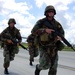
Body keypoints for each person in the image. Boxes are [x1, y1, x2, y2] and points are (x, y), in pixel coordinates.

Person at [31, 5, 65, 75]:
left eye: (52, 12)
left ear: (54, 13)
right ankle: (38, 67)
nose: (51, 13)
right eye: (49, 11)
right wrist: (44, 30)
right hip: (43, 46)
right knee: (45, 65)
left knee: (54, 67)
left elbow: (62, 33)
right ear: (46, 13)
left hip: (54, 47)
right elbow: (33, 31)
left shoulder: (57, 24)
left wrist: (60, 37)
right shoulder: (41, 22)